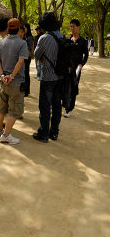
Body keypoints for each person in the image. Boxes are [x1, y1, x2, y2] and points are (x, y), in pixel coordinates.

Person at [0, 18, 28, 145]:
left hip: (2, 81)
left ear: (8, 28)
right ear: (19, 29)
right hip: (16, 82)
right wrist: (12, 76)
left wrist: (2, 75)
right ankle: (6, 135)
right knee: (14, 109)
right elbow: (20, 61)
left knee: (1, 106)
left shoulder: (2, 42)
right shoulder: (22, 43)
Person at [33, 11, 64, 143]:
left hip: (47, 76)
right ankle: (54, 132)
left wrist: (42, 60)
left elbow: (36, 54)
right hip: (60, 76)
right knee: (57, 105)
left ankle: (44, 133)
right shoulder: (62, 36)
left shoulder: (44, 38)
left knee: (45, 105)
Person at [64, 19, 89, 118]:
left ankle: (69, 109)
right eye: (71, 26)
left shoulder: (83, 41)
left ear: (78, 27)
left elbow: (86, 55)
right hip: (67, 68)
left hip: (76, 70)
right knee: (65, 87)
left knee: (73, 87)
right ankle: (65, 104)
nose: (72, 28)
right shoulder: (68, 40)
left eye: (73, 26)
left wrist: (81, 65)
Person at [23, 23, 34, 97]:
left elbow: (30, 47)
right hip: (24, 56)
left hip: (27, 57)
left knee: (26, 73)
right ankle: (25, 89)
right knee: (25, 73)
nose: (24, 30)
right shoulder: (25, 36)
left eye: (25, 28)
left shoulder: (30, 37)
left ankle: (27, 91)